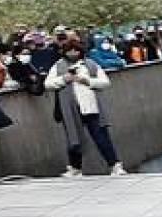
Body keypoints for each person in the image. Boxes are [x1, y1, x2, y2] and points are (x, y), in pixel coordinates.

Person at [44, 41, 125, 176]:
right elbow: (48, 84)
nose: (73, 53)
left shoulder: (91, 64)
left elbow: (105, 82)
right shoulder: (58, 66)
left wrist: (87, 81)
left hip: (91, 108)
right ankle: (75, 168)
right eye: (70, 50)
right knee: (73, 138)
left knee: (101, 138)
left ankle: (114, 164)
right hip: (71, 109)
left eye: (76, 50)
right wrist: (65, 79)